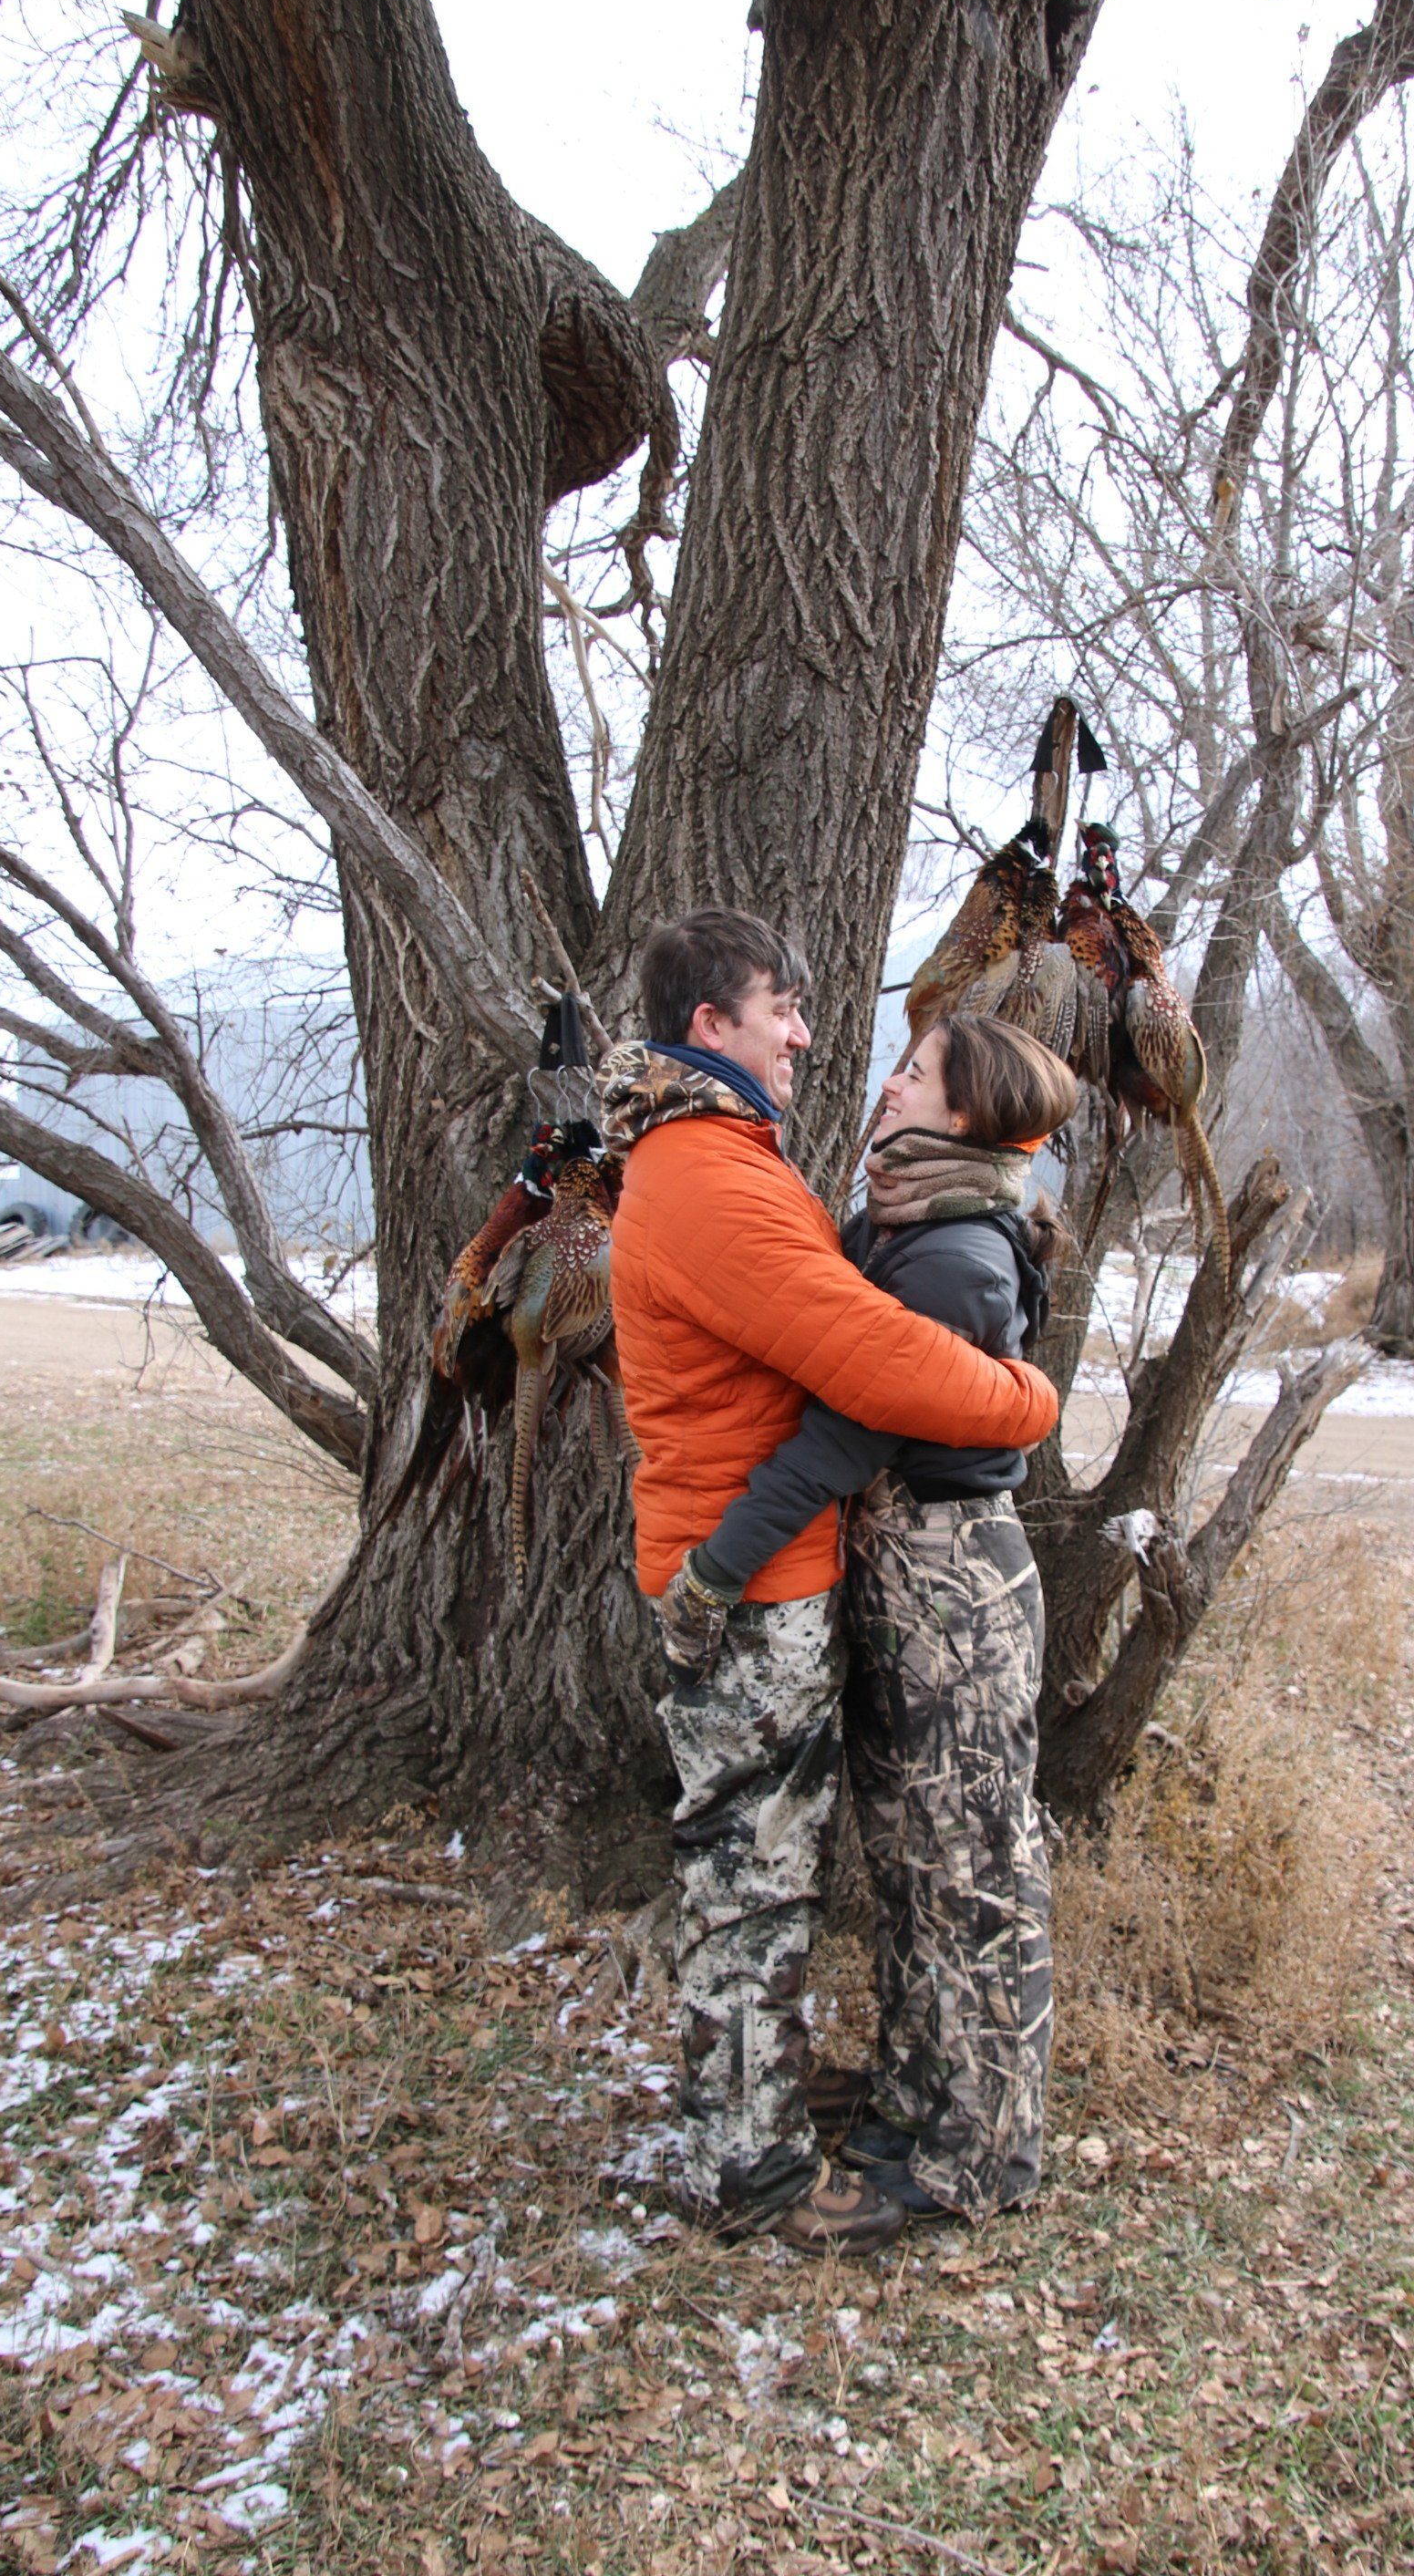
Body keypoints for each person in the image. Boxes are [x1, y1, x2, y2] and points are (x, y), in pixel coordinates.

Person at [602, 912, 1061, 2256]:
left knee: (916, 1861)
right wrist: (1028, 1403)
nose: (813, 1037)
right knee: (764, 1872)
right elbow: (872, 1365)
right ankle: (753, 2161)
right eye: (783, 1008)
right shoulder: (710, 1173)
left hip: (854, 1570)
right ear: (712, 1027)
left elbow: (864, 1367)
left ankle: (941, 2133)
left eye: (911, 1070)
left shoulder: (741, 1162)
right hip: (756, 1571)